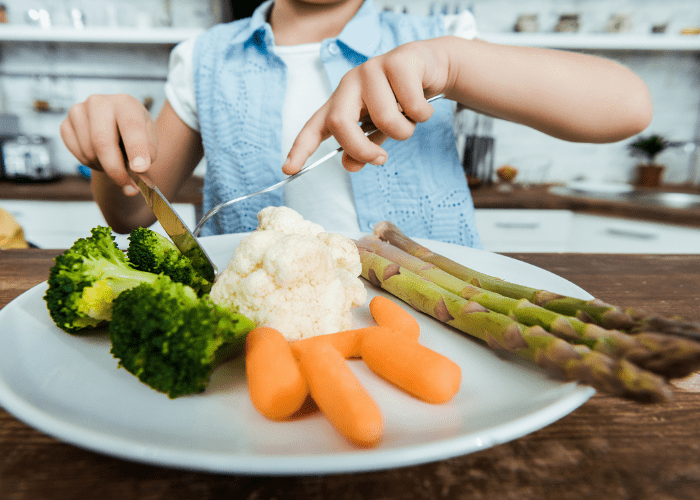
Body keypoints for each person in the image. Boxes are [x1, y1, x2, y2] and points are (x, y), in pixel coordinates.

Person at [59, 0, 652, 247]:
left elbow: (626, 106)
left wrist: (452, 64)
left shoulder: (436, 42)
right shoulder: (204, 57)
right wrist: (109, 154)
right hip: (255, 326)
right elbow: (133, 211)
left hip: (433, 319)